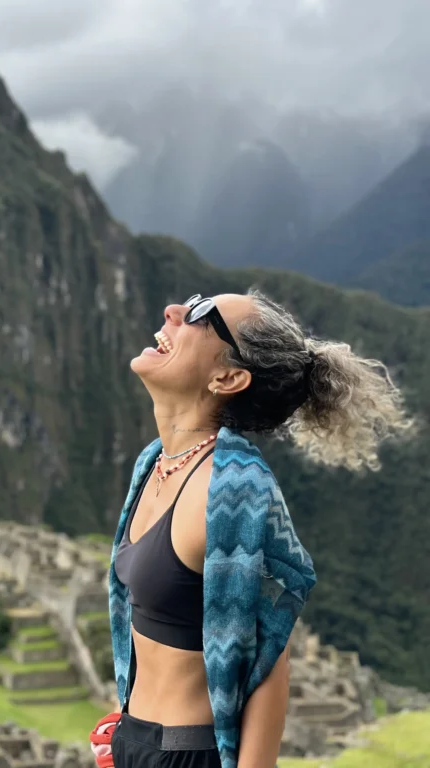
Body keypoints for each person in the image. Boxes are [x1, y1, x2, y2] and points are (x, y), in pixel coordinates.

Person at [99, 290, 413, 768]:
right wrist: (128, 730)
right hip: (135, 743)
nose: (175, 311)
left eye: (201, 315)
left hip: (188, 755)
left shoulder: (236, 490)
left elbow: (271, 656)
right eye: (191, 301)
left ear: (228, 377)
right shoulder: (154, 464)